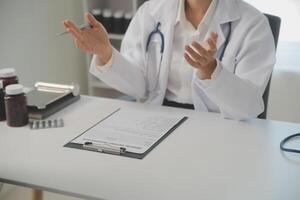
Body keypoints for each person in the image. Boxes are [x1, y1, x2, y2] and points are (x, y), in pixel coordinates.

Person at [63, 0, 276, 120]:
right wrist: (105, 53)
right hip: (160, 118)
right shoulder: (151, 12)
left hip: (220, 124)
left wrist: (212, 71)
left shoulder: (253, 24)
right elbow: (139, 87)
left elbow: (248, 107)